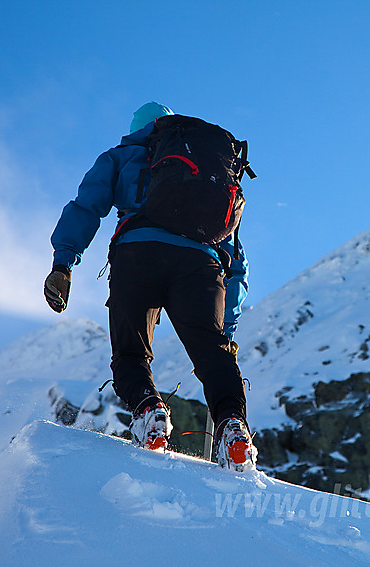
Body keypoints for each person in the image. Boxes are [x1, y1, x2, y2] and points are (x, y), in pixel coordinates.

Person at [44, 102, 257, 470]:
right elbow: (236, 260)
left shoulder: (121, 156)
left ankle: (149, 411)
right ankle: (232, 428)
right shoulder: (209, 170)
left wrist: (63, 262)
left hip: (137, 255)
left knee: (130, 353)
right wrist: (227, 328)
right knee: (213, 355)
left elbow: (86, 206)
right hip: (201, 264)